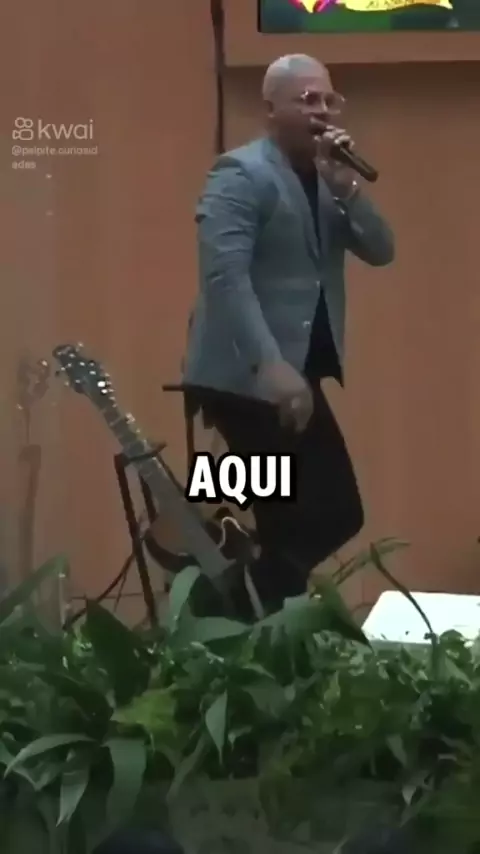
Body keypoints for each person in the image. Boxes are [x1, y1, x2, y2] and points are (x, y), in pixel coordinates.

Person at [183, 54, 394, 619]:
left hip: (298, 377)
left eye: (327, 99)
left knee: (332, 514)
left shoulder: (328, 179)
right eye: (306, 100)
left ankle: (241, 614)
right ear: (271, 109)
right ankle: (241, 618)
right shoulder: (240, 173)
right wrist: (269, 365)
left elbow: (382, 251)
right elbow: (224, 277)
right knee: (298, 517)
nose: (321, 111)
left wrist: (347, 189)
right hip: (243, 380)